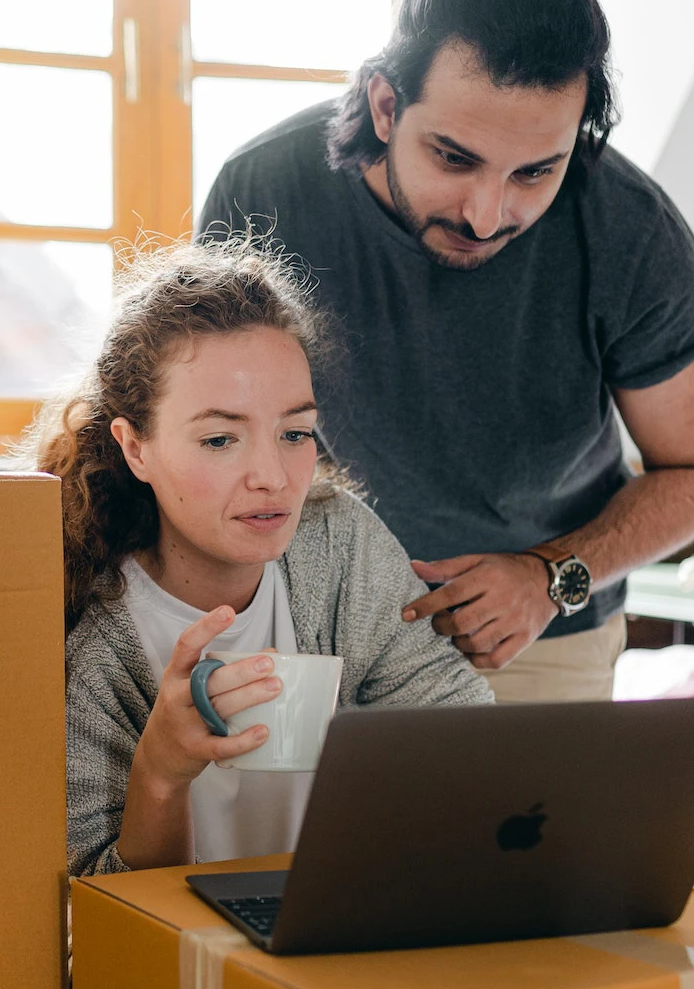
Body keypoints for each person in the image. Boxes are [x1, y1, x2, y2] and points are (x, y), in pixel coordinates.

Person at [198, 0, 694, 705]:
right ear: (385, 105)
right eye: (454, 157)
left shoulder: (632, 229)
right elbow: (209, 428)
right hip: (302, 620)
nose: (490, 214)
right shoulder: (264, 192)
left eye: (536, 171)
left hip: (539, 632)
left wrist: (551, 575)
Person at [24, 240, 490, 879]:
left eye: (295, 433)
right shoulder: (81, 630)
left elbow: (464, 738)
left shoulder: (339, 547)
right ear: (135, 449)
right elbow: (92, 928)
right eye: (220, 439)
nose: (273, 476)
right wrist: (161, 770)